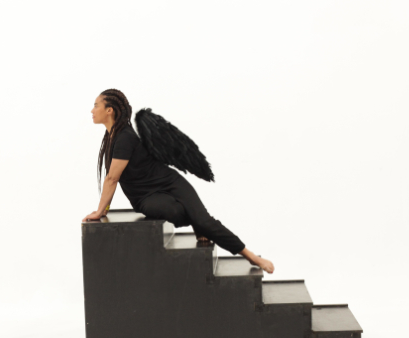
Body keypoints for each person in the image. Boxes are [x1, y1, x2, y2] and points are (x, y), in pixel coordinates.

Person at [83, 89, 274, 274]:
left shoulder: (124, 137)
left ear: (109, 110)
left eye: (96, 105)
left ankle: (251, 257)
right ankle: (198, 225)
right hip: (145, 197)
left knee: (205, 221)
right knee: (177, 213)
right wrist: (104, 210)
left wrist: (100, 211)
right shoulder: (113, 136)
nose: (92, 110)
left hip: (170, 182)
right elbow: (112, 178)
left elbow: (112, 178)